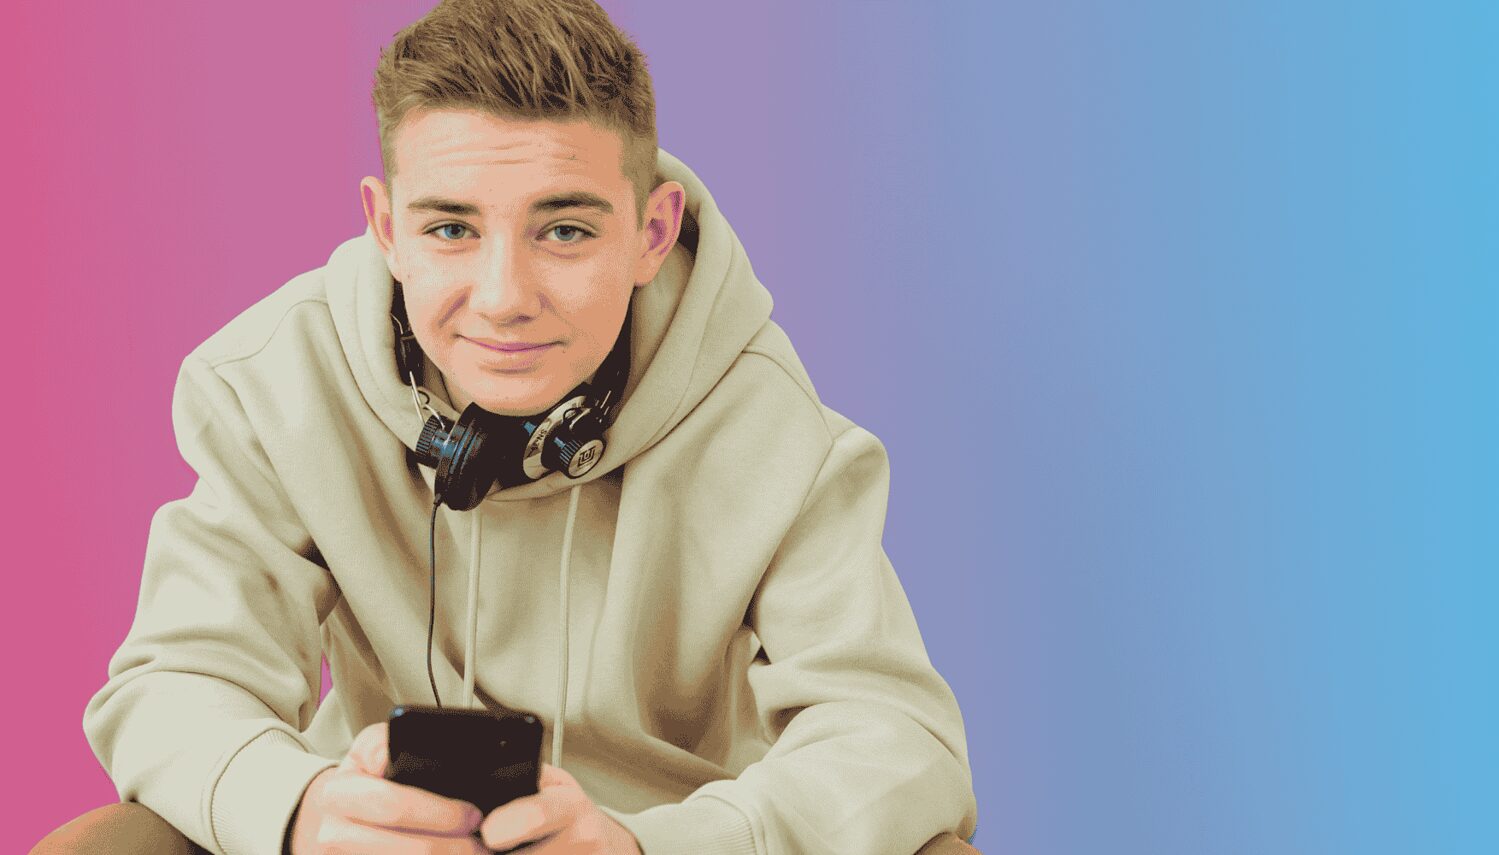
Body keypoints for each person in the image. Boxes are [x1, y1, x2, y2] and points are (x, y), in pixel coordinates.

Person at [79, 1, 979, 853]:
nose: (504, 298)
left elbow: (898, 735)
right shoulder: (276, 387)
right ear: (386, 229)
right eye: (451, 229)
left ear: (652, 233)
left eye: (565, 231)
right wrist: (302, 807)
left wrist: (648, 842)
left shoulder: (774, 428)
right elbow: (175, 681)